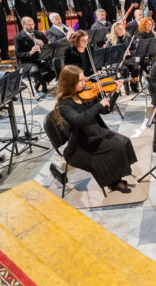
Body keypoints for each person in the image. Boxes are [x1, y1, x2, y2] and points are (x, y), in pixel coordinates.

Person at [54, 65, 136, 193]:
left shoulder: (86, 93)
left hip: (95, 130)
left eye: (83, 79)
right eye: (80, 81)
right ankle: (114, 182)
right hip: (82, 140)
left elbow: (106, 110)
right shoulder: (64, 104)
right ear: (70, 83)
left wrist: (115, 93)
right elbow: (80, 120)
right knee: (116, 147)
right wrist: (98, 105)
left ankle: (116, 176)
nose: (85, 82)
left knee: (125, 141)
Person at [14, 16, 54, 93]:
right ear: (23, 25)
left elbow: (48, 48)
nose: (32, 26)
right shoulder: (18, 37)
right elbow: (18, 54)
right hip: (27, 62)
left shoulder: (40, 34)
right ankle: (43, 84)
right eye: (29, 25)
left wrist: (43, 45)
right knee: (34, 71)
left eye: (33, 24)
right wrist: (30, 52)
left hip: (40, 58)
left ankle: (41, 81)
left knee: (57, 65)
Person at [107, 22, 140, 95]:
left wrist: (130, 53)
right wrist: (120, 55)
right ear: (115, 30)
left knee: (136, 68)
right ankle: (126, 88)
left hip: (129, 59)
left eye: (123, 29)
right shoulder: (111, 41)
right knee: (125, 69)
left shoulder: (128, 37)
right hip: (119, 62)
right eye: (120, 29)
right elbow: (110, 55)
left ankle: (134, 86)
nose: (122, 30)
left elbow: (135, 49)